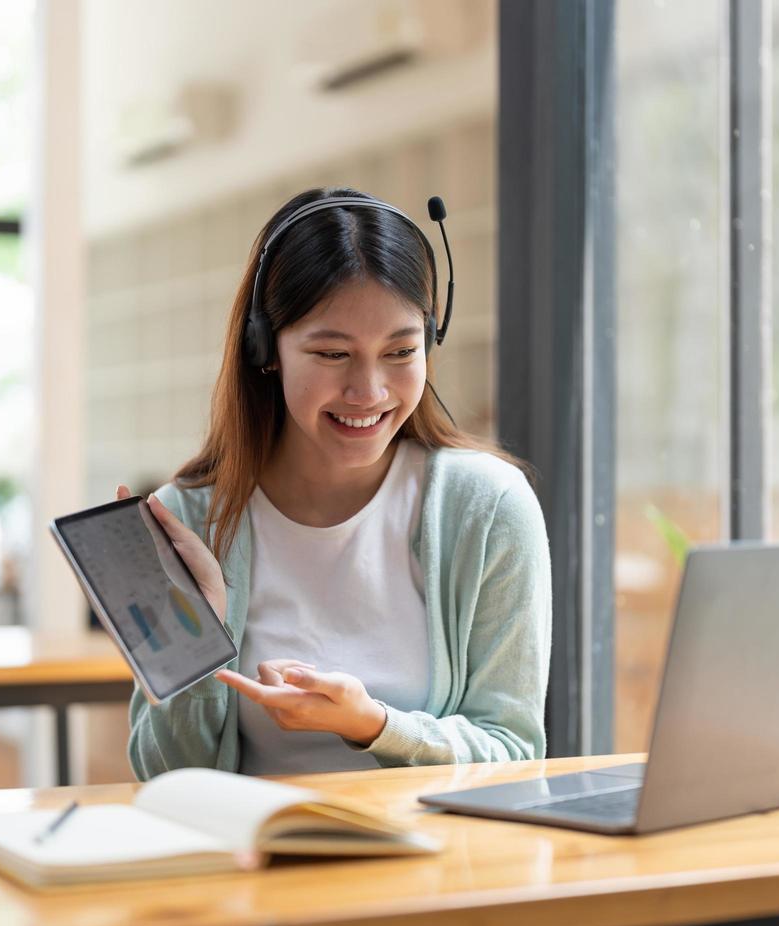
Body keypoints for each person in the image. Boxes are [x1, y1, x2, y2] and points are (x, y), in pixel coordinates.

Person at [123, 187, 550, 779]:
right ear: (265, 350)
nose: (368, 391)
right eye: (331, 354)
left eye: (401, 351)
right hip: (251, 862)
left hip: (436, 863)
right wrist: (199, 642)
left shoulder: (488, 507)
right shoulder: (189, 521)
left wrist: (373, 725)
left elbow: (514, 751)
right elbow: (162, 777)